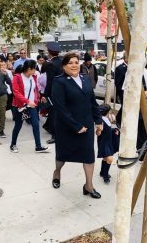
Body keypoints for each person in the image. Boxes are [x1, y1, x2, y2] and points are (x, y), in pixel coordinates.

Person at [51, 53, 103, 199]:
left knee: (88, 156)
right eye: (70, 63)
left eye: (76, 62)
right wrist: (75, 126)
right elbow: (60, 108)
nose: (74, 65)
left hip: (86, 125)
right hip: (66, 126)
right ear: (64, 66)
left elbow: (92, 102)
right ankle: (57, 172)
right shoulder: (59, 82)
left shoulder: (85, 78)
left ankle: (89, 186)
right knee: (63, 155)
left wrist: (98, 121)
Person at [10, 59, 49, 153]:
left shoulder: (33, 77)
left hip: (32, 105)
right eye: (34, 68)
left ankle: (38, 146)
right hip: (19, 106)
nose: (35, 70)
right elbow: (16, 93)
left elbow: (35, 89)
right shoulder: (17, 77)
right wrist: (27, 101)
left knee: (36, 124)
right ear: (28, 69)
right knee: (18, 125)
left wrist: (40, 97)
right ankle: (13, 144)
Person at [42, 42, 63, 144]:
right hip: (64, 91)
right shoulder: (63, 62)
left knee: (54, 114)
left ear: (49, 52)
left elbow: (50, 81)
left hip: (55, 92)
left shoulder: (51, 65)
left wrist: (45, 94)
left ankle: (54, 136)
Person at [97, 104, 120, 183]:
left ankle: (102, 172)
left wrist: (114, 130)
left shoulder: (106, 118)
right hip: (103, 142)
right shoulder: (100, 121)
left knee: (105, 158)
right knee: (109, 159)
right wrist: (99, 130)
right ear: (107, 111)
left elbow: (108, 129)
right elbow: (98, 134)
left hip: (108, 141)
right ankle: (105, 175)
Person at [114, 53, 128, 126]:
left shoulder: (131, 67)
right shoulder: (120, 68)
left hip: (129, 91)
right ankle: (118, 119)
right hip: (123, 91)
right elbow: (117, 82)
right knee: (124, 106)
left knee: (127, 107)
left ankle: (123, 120)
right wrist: (121, 92)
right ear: (125, 58)